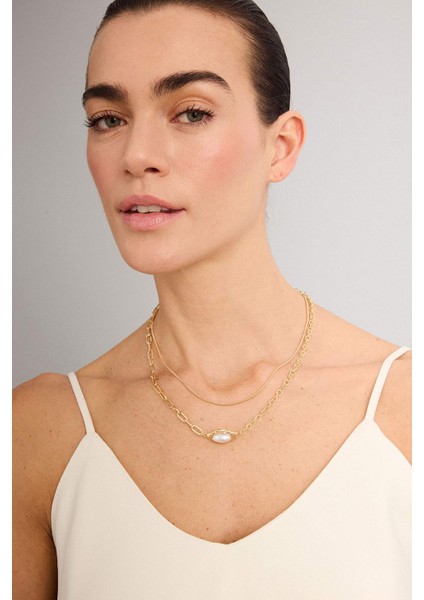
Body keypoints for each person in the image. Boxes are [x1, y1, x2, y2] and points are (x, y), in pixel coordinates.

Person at [13, 0, 411, 598]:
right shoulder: (35, 434)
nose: (136, 156)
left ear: (281, 147)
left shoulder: (405, 414)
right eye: (107, 119)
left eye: (191, 113)